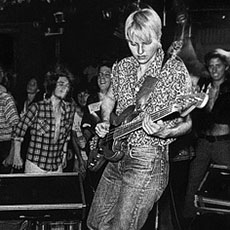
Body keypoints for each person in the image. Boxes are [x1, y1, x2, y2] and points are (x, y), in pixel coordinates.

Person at [87, 6, 192, 230]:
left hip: (147, 161)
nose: (140, 50)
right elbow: (109, 99)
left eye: (146, 42)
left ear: (159, 37)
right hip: (117, 154)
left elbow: (187, 122)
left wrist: (165, 131)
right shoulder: (122, 67)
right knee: (95, 222)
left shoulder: (173, 70)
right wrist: (105, 121)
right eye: (133, 43)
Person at [183, 49, 230, 227]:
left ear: (225, 67)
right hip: (203, 142)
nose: (214, 70)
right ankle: (188, 220)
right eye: (211, 67)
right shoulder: (203, 86)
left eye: (218, 66)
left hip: (223, 144)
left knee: (226, 182)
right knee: (193, 179)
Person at [8, 64, 76, 173]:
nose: (65, 88)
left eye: (67, 86)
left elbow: (66, 135)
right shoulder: (37, 108)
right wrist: (16, 155)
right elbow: (18, 131)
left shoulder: (69, 110)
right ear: (53, 85)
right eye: (61, 84)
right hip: (36, 164)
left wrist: (63, 154)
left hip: (56, 165)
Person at [81, 60, 114, 190]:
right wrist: (91, 142)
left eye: (107, 74)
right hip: (96, 152)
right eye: (100, 74)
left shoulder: (120, 99)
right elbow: (86, 125)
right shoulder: (92, 99)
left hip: (113, 153)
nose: (102, 77)